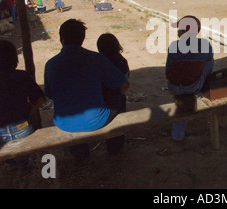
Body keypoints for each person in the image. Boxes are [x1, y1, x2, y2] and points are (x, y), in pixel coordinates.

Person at [44, 19, 130, 159]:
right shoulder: (96, 59)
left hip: (63, 122)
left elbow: (50, 94)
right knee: (120, 98)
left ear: (62, 39)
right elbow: (124, 85)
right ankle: (115, 148)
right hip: (96, 120)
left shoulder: (51, 64)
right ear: (83, 38)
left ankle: (80, 155)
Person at [166, 15, 214, 141]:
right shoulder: (204, 44)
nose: (177, 31)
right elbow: (209, 65)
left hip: (174, 87)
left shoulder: (173, 46)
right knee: (208, 62)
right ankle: (200, 92)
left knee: (181, 103)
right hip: (194, 86)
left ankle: (177, 135)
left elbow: (167, 71)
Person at [0, 40, 46, 144]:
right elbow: (40, 99)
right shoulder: (22, 76)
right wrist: (30, 109)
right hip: (22, 128)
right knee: (24, 157)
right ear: (14, 58)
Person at [97, 33, 130, 155]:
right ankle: (116, 147)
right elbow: (126, 81)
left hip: (101, 98)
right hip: (116, 97)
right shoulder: (121, 61)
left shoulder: (99, 61)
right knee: (119, 121)